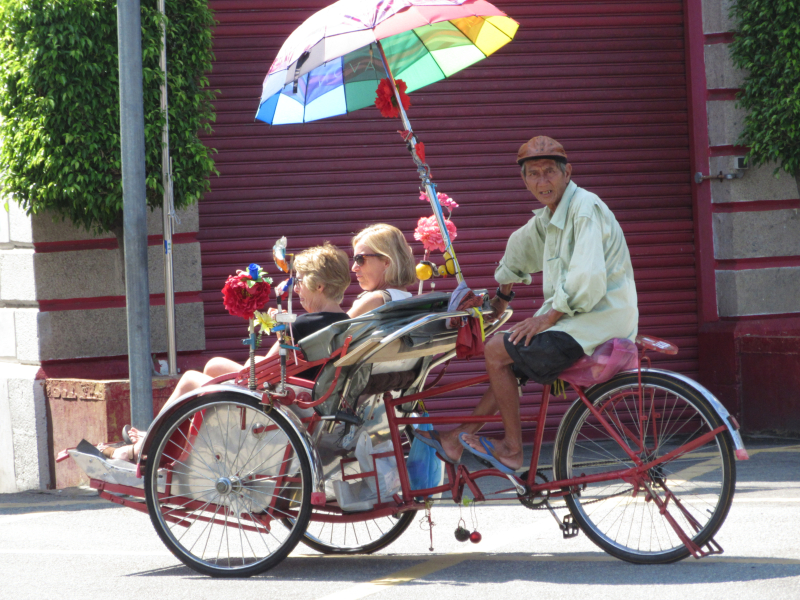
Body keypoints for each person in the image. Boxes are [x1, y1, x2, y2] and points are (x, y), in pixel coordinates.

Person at [417, 135, 638, 473]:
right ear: (524, 180)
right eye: (533, 174)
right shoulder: (550, 217)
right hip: (578, 321)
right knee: (507, 360)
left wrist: (547, 318)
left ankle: (512, 450)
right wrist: (501, 299)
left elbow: (588, 278)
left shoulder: (584, 209)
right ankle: (455, 442)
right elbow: (518, 248)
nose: (542, 181)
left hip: (597, 322)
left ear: (567, 173)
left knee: (496, 350)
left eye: (549, 171)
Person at [101, 242, 352, 461]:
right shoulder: (345, 324)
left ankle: (142, 446)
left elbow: (264, 369)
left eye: (299, 281)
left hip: (281, 400)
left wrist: (278, 331)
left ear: (319, 285)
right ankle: (158, 437)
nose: (295, 289)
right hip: (306, 397)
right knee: (214, 365)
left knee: (189, 379)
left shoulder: (302, 325)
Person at [347, 223, 417, 318]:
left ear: (386, 262)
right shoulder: (407, 298)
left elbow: (334, 328)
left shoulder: (374, 300)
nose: (354, 268)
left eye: (360, 259)